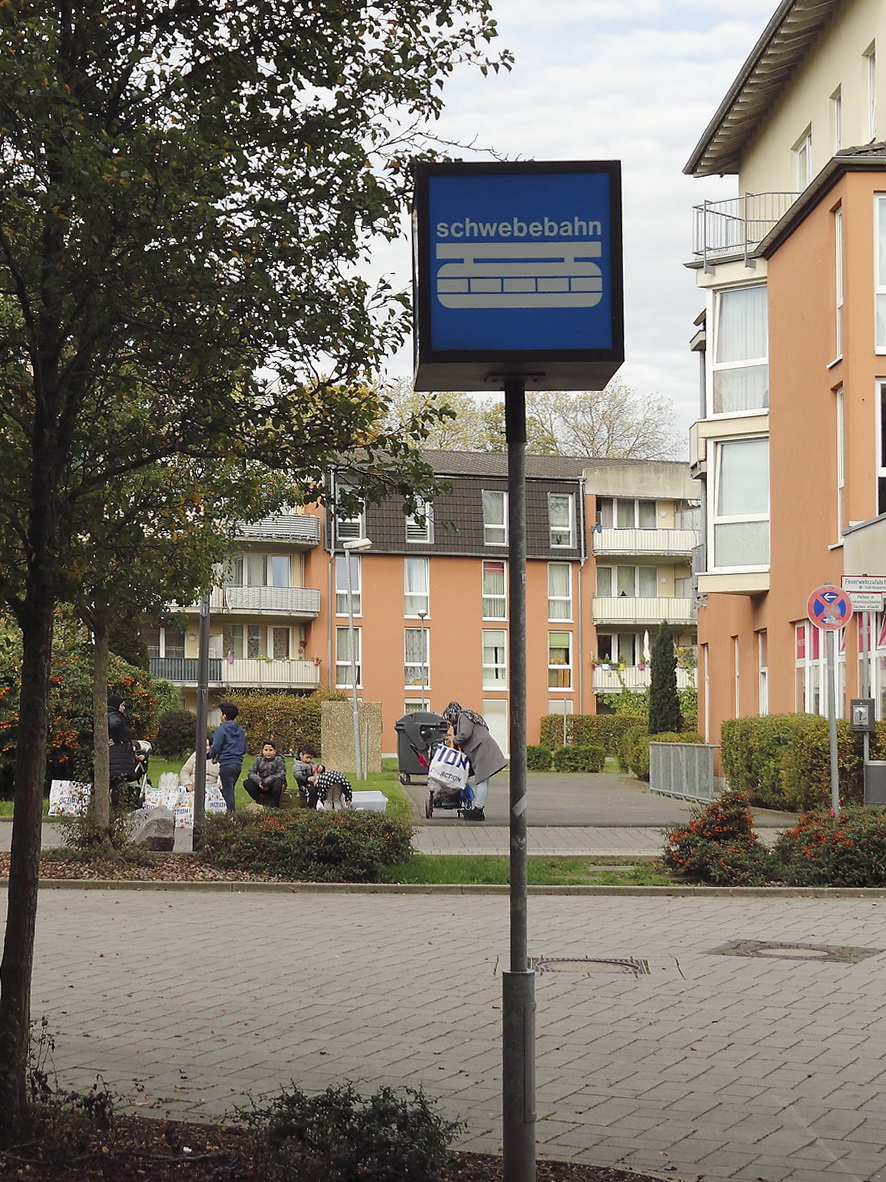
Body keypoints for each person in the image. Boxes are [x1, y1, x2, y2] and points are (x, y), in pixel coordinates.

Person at [442, 701, 507, 822]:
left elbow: (464, 734)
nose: (451, 724)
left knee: (481, 779)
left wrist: (454, 740)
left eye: (450, 720)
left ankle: (478, 811)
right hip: (481, 749)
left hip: (482, 750)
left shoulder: (464, 716)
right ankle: (477, 809)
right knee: (482, 779)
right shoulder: (468, 715)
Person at [208, 702, 247, 812]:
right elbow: (244, 748)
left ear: (224, 716)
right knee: (230, 789)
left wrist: (211, 755)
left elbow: (216, 746)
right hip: (237, 764)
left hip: (226, 764)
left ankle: (231, 814)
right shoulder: (240, 730)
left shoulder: (221, 729)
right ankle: (228, 812)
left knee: (227, 791)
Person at [107, 694, 139, 810]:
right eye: (122, 705)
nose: (124, 708)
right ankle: (117, 809)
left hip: (116, 757)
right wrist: (116, 739)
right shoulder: (114, 716)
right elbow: (116, 725)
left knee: (114, 783)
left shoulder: (110, 715)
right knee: (117, 783)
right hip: (118, 758)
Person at [243, 740, 288, 809]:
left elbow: (281, 773)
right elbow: (251, 772)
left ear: (275, 751)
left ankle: (274, 805)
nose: (268, 752)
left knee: (278, 783)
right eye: (266, 750)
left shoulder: (279, 759)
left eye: (270, 750)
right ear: (262, 750)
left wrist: (267, 782)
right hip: (261, 784)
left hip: (274, 784)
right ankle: (261, 801)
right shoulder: (259, 759)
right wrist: (259, 782)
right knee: (246, 783)